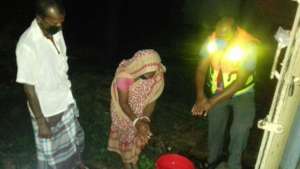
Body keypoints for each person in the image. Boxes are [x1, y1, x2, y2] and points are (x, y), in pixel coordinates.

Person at [15, 0, 87, 168]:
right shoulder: (27, 45)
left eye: (61, 20)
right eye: (54, 21)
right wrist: (41, 122)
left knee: (76, 141)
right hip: (47, 111)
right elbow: (29, 88)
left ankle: (77, 164)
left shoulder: (56, 31)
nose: (59, 24)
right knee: (53, 158)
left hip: (65, 99)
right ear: (40, 18)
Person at [192, 17, 259, 169]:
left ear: (235, 32)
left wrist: (210, 102)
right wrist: (200, 96)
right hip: (219, 90)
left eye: (224, 36)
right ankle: (213, 161)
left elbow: (240, 82)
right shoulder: (212, 41)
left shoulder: (248, 46)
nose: (220, 39)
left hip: (243, 92)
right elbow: (201, 69)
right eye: (218, 34)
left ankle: (234, 164)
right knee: (215, 125)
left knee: (240, 128)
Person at [108, 49, 166, 169]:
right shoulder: (124, 77)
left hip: (140, 111)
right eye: (149, 71)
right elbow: (123, 103)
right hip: (123, 111)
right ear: (140, 66)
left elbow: (152, 99)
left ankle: (133, 161)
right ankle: (127, 162)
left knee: (138, 134)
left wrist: (144, 119)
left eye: (154, 70)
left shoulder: (157, 74)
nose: (153, 74)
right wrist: (136, 121)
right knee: (126, 135)